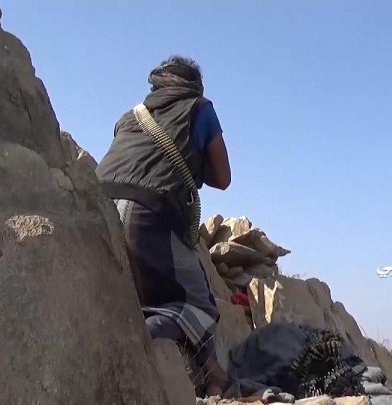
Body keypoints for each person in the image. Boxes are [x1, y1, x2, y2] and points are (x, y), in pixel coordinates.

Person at [96, 55, 232, 397]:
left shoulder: (129, 116)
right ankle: (144, 337)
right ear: (195, 86)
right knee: (200, 303)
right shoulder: (200, 109)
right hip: (149, 214)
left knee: (145, 291)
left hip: (99, 212)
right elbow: (223, 178)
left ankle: (210, 371)